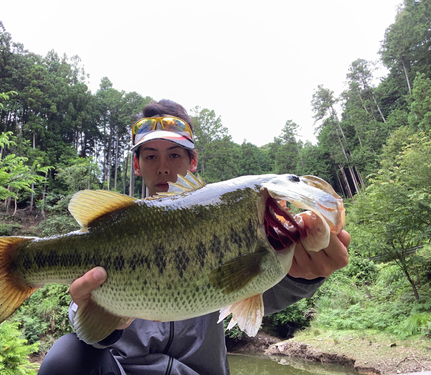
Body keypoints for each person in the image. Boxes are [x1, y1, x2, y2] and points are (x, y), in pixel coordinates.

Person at [38, 99, 350, 375]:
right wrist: (106, 321)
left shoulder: (232, 218)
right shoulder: (112, 228)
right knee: (66, 358)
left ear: (193, 162)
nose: (163, 168)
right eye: (150, 157)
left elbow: (263, 289)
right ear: (136, 165)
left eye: (174, 155)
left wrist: (304, 275)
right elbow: (90, 334)